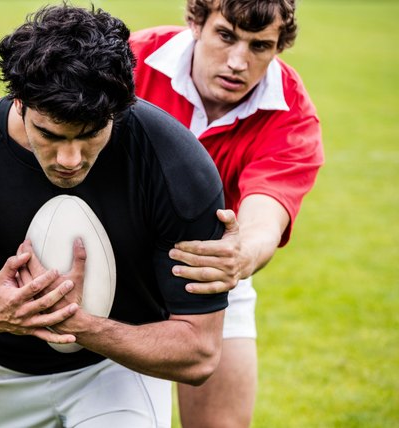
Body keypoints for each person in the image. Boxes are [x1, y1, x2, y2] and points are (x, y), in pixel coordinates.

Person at [0, 5, 228, 427]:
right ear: (19, 102)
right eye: (50, 135)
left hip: (118, 371)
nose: (70, 159)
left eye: (90, 134)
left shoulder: (176, 165)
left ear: (120, 108)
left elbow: (199, 351)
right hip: (5, 372)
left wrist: (82, 325)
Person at [129, 1, 324, 426]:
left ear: (278, 47)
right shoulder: (131, 63)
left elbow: (265, 213)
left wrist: (241, 255)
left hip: (212, 268)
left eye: (260, 46)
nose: (239, 62)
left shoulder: (291, 112)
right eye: (226, 36)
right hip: (117, 263)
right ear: (196, 22)